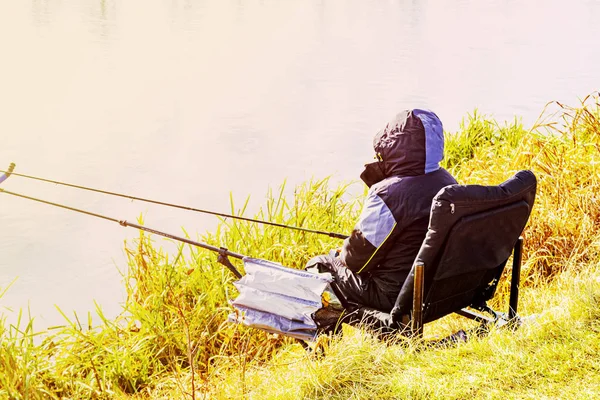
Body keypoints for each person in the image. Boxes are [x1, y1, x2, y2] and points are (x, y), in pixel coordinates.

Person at [307, 109, 457, 313]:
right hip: (439, 289)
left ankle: (328, 342)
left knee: (319, 265)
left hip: (394, 296)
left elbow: (356, 261)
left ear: (394, 147)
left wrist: (342, 254)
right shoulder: (448, 182)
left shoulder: (388, 193)